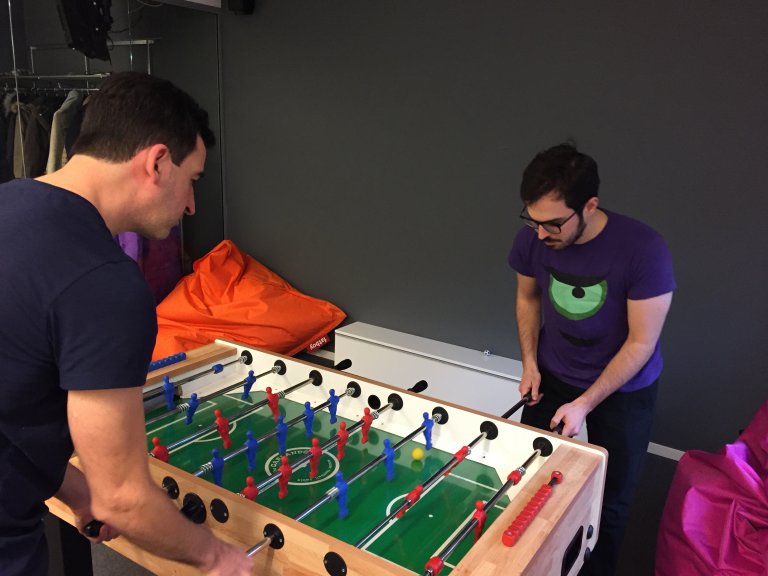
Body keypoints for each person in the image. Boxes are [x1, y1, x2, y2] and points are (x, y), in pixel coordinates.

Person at [0, 72, 254, 576]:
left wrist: (76, 489)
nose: (190, 205)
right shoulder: (105, 283)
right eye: (193, 180)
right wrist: (218, 556)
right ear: (157, 162)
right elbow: (123, 499)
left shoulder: (8, 202)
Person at [508, 142, 675, 576]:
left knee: (611, 501)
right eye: (533, 221)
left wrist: (585, 402)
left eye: (553, 224)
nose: (541, 234)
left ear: (590, 205)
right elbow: (527, 297)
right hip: (552, 375)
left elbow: (641, 343)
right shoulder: (534, 237)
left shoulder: (644, 250)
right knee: (532, 481)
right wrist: (529, 362)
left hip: (624, 390)